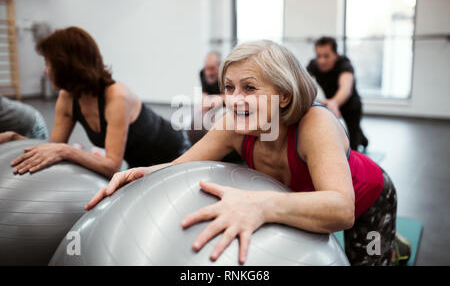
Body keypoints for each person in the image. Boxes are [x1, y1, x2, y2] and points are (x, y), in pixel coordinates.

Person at [86, 40, 410, 266]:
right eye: (229, 88)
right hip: (304, 197)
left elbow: (341, 209)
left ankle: (392, 246)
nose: (235, 100)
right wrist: (143, 174)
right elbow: (179, 167)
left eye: (250, 88)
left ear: (283, 96)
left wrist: (262, 204)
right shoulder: (233, 126)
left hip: (369, 197)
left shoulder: (315, 123)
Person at [10, 27, 191, 178]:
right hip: (140, 164)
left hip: (176, 154)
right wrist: (17, 140)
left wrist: (67, 151)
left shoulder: (116, 96)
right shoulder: (67, 98)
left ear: (66, 65)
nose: (45, 71)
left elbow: (112, 165)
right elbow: (54, 148)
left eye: (48, 64)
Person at [307, 37, 369, 151]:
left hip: (350, 106)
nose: (322, 61)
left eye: (326, 56)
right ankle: (361, 137)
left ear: (335, 54)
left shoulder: (344, 64)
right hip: (331, 104)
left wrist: (334, 103)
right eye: (319, 56)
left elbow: (346, 87)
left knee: (353, 145)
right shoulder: (313, 65)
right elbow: (303, 83)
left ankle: (363, 140)